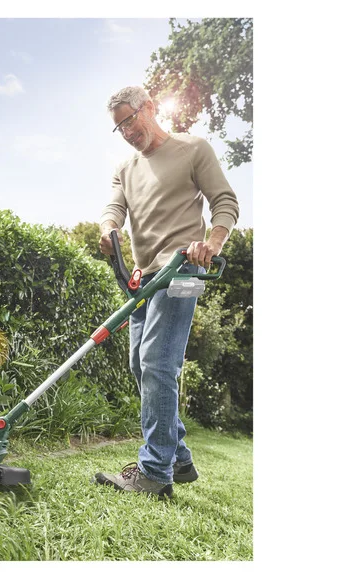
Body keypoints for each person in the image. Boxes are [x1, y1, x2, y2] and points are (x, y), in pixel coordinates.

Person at [93, 86, 239, 498]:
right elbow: (113, 208)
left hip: (182, 270)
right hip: (143, 279)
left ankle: (155, 472)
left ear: (150, 108)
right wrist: (108, 229)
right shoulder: (125, 168)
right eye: (119, 127)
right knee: (141, 367)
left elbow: (224, 201)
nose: (126, 131)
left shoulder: (193, 149)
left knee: (158, 364)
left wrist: (213, 243)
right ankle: (179, 457)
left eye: (129, 120)